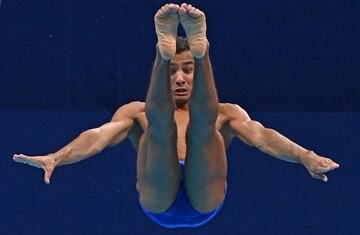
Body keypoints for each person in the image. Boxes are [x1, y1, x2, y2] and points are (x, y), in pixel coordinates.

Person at [13, 3, 339, 228]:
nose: (180, 79)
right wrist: (58, 156)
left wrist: (304, 155)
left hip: (205, 196)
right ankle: (163, 51)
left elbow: (262, 135)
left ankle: (202, 50)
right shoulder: (135, 113)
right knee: (157, 126)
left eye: (188, 70)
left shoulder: (226, 114)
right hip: (158, 199)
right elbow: (98, 137)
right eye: (173, 71)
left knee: (205, 127)